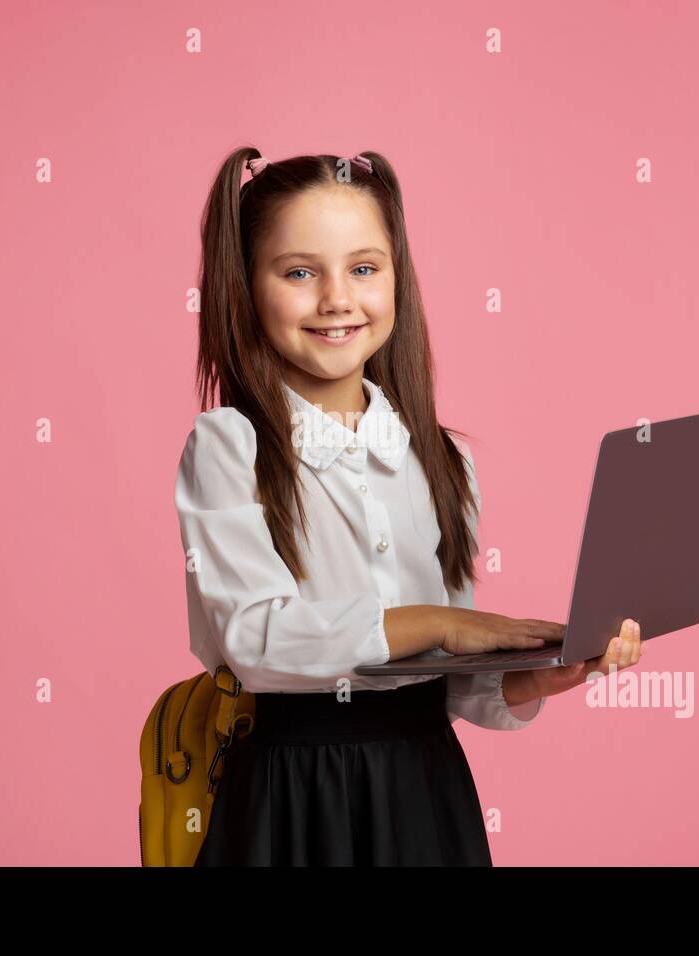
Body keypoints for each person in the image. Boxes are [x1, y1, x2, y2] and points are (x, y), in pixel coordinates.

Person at [175, 149, 643, 866]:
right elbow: (252, 638)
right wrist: (446, 622)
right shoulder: (228, 446)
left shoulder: (443, 459)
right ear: (245, 286)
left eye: (364, 268)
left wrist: (543, 671)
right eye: (300, 272)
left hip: (425, 793)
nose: (337, 298)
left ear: (398, 278)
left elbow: (450, 684)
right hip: (296, 797)